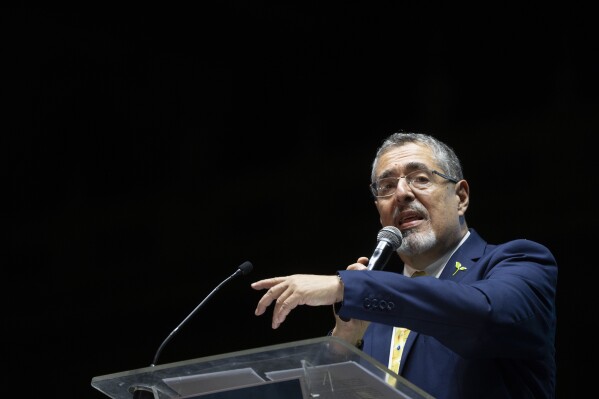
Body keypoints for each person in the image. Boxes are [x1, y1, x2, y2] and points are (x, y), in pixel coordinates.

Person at [251, 131, 558, 399]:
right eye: (386, 186)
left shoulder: (521, 261)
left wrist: (346, 286)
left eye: (420, 179)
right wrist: (345, 342)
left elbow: (485, 317)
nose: (401, 193)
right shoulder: (374, 311)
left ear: (460, 197)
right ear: (378, 211)